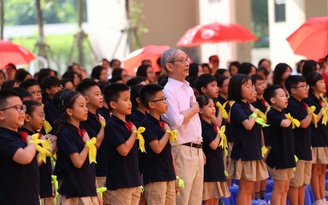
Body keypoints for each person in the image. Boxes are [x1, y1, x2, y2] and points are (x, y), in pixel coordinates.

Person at [160, 48, 203, 204]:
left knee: (196, 199)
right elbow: (174, 120)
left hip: (197, 148)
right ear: (169, 66)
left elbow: (194, 121)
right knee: (182, 199)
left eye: (187, 60)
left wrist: (200, 145)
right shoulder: (168, 90)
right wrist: (193, 110)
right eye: (182, 61)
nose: (187, 64)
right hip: (182, 149)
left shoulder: (188, 87)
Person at [227, 74, 268, 205]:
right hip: (244, 154)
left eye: (252, 86)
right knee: (244, 188)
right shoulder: (237, 107)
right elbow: (248, 125)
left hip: (252, 152)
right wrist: (255, 113)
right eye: (247, 86)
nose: (252, 89)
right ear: (237, 89)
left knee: (249, 188)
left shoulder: (248, 106)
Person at [55, 90, 100, 205]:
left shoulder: (82, 132)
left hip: (87, 189)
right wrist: (87, 145)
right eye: (81, 106)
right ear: (69, 111)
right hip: (75, 192)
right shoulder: (66, 133)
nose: (86, 109)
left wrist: (96, 190)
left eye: (86, 105)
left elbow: (90, 164)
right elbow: (78, 162)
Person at [103, 83, 141, 205]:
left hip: (133, 180)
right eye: (125, 100)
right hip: (120, 182)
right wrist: (134, 133)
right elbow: (123, 150)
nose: (130, 103)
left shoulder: (128, 123)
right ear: (113, 104)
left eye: (129, 99)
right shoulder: (112, 125)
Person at [140, 84, 178, 205]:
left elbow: (169, 153)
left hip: (169, 175)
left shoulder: (163, 123)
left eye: (165, 98)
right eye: (162, 99)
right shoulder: (146, 124)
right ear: (151, 104)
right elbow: (157, 148)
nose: (166, 102)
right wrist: (167, 132)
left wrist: (175, 176)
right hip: (155, 177)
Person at [0, 89, 39, 204]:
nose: (22, 112)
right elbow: (24, 157)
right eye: (17, 108)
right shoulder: (3, 137)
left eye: (23, 108)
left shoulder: (18, 136)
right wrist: (32, 142)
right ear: (1, 115)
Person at [76, 79, 108, 204]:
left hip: (106, 169)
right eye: (97, 94)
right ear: (86, 99)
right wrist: (104, 126)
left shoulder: (99, 116)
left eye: (101, 94)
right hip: (96, 171)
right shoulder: (84, 120)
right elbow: (95, 144)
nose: (101, 97)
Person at [263, 85, 296, 205]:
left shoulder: (282, 113)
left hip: (287, 155)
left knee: (285, 188)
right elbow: (285, 124)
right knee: (279, 188)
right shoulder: (272, 114)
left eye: (286, 95)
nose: (286, 98)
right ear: (272, 100)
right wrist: (289, 119)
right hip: (278, 157)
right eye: (282, 96)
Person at [19, 100, 55, 205]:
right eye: (40, 115)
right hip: (34, 192)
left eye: (44, 115)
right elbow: (31, 162)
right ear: (27, 117)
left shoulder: (40, 135)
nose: (43, 119)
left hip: (45, 187)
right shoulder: (24, 137)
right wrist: (45, 150)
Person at [196, 95, 230, 205]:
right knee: (209, 199)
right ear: (200, 110)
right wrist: (219, 134)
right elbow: (214, 145)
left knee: (215, 198)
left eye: (214, 106)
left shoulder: (212, 125)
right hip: (209, 168)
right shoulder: (202, 126)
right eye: (209, 106)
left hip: (217, 165)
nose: (213, 109)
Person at [284, 75, 313, 205]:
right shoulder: (291, 104)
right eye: (303, 86)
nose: (306, 89)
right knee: (295, 184)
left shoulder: (302, 104)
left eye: (306, 86)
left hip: (305, 147)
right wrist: (311, 113)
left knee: (302, 183)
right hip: (297, 150)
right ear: (293, 90)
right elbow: (304, 123)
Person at [303, 72, 328, 205]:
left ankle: (323, 197)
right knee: (316, 169)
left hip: (324, 137)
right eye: (321, 82)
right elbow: (314, 120)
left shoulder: (322, 99)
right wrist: (323, 109)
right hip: (315, 139)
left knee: (323, 169)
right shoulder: (309, 100)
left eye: (324, 82)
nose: (324, 85)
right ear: (313, 86)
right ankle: (318, 199)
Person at [251, 74, 268, 200]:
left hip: (266, 140)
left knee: (263, 173)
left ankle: (261, 199)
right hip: (257, 141)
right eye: (259, 84)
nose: (263, 86)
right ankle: (256, 199)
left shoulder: (264, 101)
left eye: (264, 83)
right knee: (256, 175)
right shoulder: (253, 104)